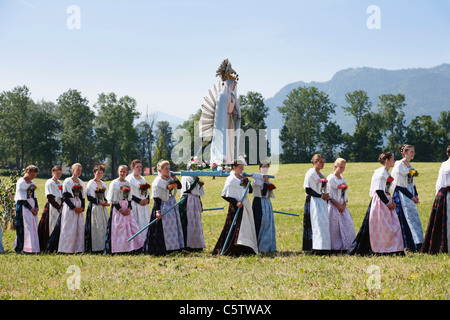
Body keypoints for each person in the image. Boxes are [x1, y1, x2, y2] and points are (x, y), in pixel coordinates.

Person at [349, 153, 404, 255]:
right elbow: (379, 190)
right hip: (380, 201)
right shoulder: (380, 173)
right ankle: (378, 248)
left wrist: (391, 201)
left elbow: (386, 190)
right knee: (379, 225)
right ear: (387, 160)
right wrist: (387, 203)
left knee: (389, 225)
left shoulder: (387, 173)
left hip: (386, 199)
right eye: (392, 159)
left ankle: (390, 247)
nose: (394, 161)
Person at [212, 158, 258, 256]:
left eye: (243, 168)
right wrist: (236, 203)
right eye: (240, 168)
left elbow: (249, 191)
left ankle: (245, 249)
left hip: (245, 206)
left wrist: (246, 181)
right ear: (234, 167)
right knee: (235, 227)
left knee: (245, 227)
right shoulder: (231, 179)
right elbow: (224, 194)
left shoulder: (242, 179)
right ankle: (232, 249)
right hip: (235, 207)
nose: (242, 170)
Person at [143, 160, 184, 255]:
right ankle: (161, 249)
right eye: (166, 169)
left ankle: (173, 247)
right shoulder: (157, 182)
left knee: (173, 225)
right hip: (162, 205)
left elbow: (179, 187)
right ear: (160, 170)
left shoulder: (170, 179)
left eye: (169, 168)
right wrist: (158, 211)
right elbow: (157, 198)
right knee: (160, 227)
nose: (168, 170)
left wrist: (175, 179)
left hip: (171, 204)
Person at [45, 163, 86, 253]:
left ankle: (78, 248)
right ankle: (66, 248)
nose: (79, 172)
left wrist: (82, 207)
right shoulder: (68, 181)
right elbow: (65, 197)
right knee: (68, 227)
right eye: (77, 170)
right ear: (72, 170)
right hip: (70, 207)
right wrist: (74, 208)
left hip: (79, 206)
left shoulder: (81, 182)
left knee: (79, 228)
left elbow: (83, 197)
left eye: (80, 170)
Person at [104, 165, 144, 254]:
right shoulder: (115, 183)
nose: (122, 173)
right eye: (121, 171)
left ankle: (132, 247)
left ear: (127, 172)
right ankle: (119, 249)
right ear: (118, 172)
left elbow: (129, 197)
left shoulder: (127, 183)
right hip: (118, 208)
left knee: (131, 227)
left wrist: (129, 208)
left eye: (124, 171)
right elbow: (113, 199)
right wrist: (121, 210)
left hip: (126, 206)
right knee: (119, 228)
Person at [390, 144, 423, 252]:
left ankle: (417, 242)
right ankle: (407, 244)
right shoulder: (399, 165)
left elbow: (412, 182)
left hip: (410, 193)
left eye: (414, 151)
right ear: (405, 153)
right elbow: (399, 185)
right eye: (411, 151)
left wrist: (416, 194)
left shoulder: (410, 166)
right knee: (404, 218)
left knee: (413, 218)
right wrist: (411, 197)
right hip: (401, 194)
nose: (413, 153)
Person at [208, 59, 241, 165]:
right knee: (223, 140)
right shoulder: (222, 96)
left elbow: (234, 108)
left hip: (230, 121)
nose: (234, 86)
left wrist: (235, 114)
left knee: (230, 141)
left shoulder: (231, 95)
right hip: (223, 122)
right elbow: (222, 110)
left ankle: (230, 160)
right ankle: (222, 160)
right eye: (233, 84)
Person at [421, 145, 450, 254]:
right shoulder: (445, 165)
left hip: (442, 193)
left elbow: (438, 183)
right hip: (446, 195)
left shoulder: (444, 165)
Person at [302, 154, 331, 254]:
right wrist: (319, 195)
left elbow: (324, 187)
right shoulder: (310, 174)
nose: (323, 164)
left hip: (321, 200)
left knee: (322, 223)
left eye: (323, 162)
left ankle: (323, 246)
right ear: (315, 162)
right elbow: (308, 189)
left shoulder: (321, 174)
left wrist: (326, 194)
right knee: (315, 223)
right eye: (320, 162)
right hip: (313, 200)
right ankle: (314, 247)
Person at [326, 158, 355, 253]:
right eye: (341, 167)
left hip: (342, 204)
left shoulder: (342, 178)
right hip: (334, 205)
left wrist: (344, 204)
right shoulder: (331, 178)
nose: (342, 169)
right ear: (335, 167)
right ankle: (335, 247)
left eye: (344, 168)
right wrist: (338, 206)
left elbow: (345, 193)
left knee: (347, 224)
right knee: (334, 227)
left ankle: (347, 245)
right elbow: (330, 194)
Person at [179, 159, 206, 251]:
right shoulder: (185, 177)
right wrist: (196, 180)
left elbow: (198, 193)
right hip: (188, 200)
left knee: (196, 222)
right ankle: (188, 245)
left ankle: (196, 244)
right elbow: (188, 189)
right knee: (189, 222)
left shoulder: (195, 177)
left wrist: (200, 204)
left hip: (195, 200)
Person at [14, 165, 40, 253]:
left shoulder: (32, 182)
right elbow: (21, 198)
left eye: (35, 175)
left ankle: (31, 247)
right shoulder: (21, 182)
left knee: (32, 226)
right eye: (32, 175)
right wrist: (30, 208)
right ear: (28, 172)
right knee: (23, 227)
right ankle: (21, 247)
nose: (33, 177)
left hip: (31, 206)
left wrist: (36, 207)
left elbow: (34, 196)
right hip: (23, 206)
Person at [252, 161, 277, 253]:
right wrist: (266, 183)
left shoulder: (268, 179)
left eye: (267, 167)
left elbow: (268, 193)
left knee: (268, 223)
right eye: (263, 166)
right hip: (259, 202)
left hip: (266, 202)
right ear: (259, 168)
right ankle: (260, 246)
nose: (265, 168)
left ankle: (268, 246)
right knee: (260, 223)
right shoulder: (257, 180)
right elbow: (262, 193)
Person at [84, 165, 110, 253]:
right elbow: (89, 197)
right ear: (94, 173)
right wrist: (99, 202)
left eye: (101, 173)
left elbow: (106, 195)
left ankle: (103, 245)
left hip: (102, 208)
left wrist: (106, 201)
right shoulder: (91, 183)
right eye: (98, 172)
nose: (100, 174)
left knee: (103, 225)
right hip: (94, 207)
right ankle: (95, 247)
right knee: (95, 226)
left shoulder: (104, 184)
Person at [38, 166, 63, 250]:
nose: (58, 174)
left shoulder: (59, 183)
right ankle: (49, 244)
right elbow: (50, 197)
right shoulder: (49, 182)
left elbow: (62, 194)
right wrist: (57, 207)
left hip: (59, 204)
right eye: (57, 173)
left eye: (60, 173)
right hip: (52, 206)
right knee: (50, 224)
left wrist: (61, 205)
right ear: (53, 173)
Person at [126, 159, 151, 241]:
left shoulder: (143, 179)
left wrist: (147, 199)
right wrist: (139, 201)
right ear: (132, 167)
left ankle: (145, 241)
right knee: (137, 223)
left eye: (140, 167)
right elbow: (129, 194)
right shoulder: (129, 179)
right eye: (137, 167)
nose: (139, 168)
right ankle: (138, 242)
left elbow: (147, 192)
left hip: (144, 205)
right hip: (135, 204)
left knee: (145, 221)